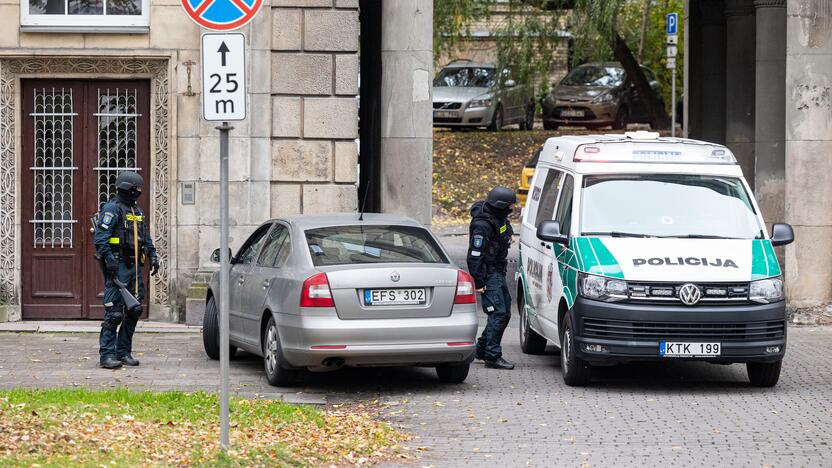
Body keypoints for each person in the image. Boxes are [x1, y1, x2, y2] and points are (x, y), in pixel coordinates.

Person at [94, 171, 159, 369]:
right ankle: (106, 355)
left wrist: (153, 255)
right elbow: (100, 238)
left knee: (134, 310)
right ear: (126, 188)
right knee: (114, 313)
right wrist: (109, 260)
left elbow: (144, 237)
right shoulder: (112, 209)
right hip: (118, 268)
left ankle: (123, 352)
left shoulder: (136, 211)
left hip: (135, 269)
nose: (138, 192)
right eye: (136, 189)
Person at [467, 186, 516, 370]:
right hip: (488, 274)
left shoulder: (498, 218)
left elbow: (505, 227)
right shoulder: (482, 225)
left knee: (505, 313)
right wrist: (479, 282)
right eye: (508, 206)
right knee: (498, 313)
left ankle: (482, 349)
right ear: (500, 205)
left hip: (497, 271)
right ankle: (492, 356)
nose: (510, 209)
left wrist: (508, 236)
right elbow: (474, 255)